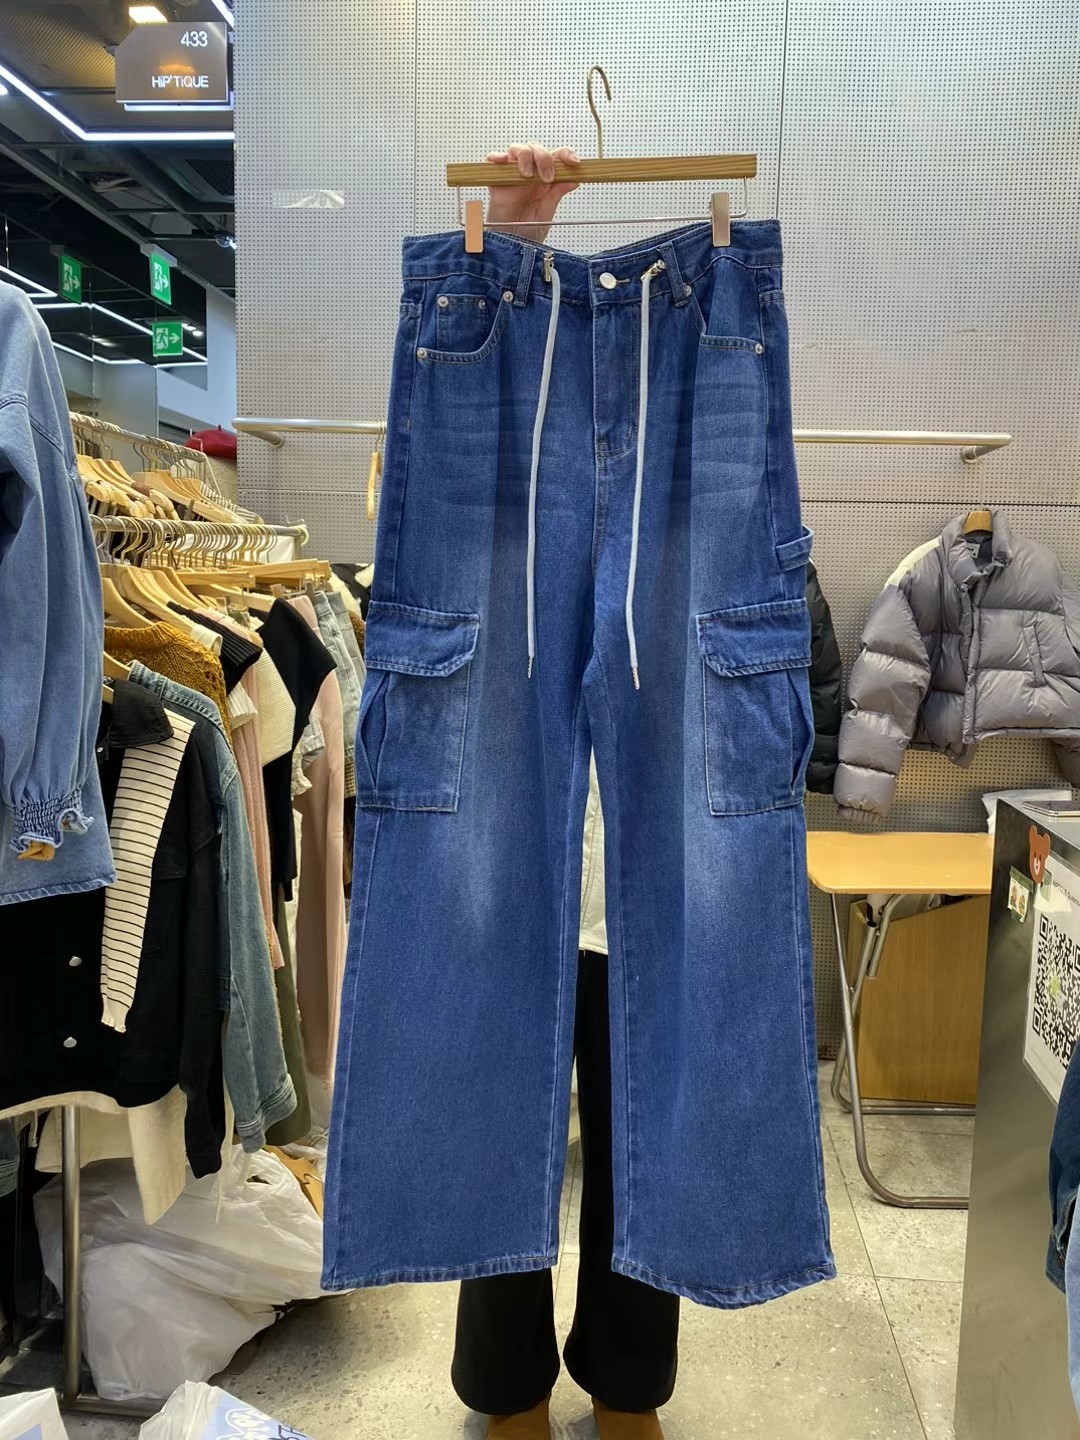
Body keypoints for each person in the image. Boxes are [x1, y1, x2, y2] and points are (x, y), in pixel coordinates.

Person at [448, 143, 676, 1440]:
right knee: (497, 1115)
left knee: (645, 1130)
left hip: (638, 862)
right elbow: (470, 458)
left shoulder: (678, 464)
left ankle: (629, 1383)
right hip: (515, 851)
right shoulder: (502, 477)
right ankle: (508, 1388)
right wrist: (515, 250)